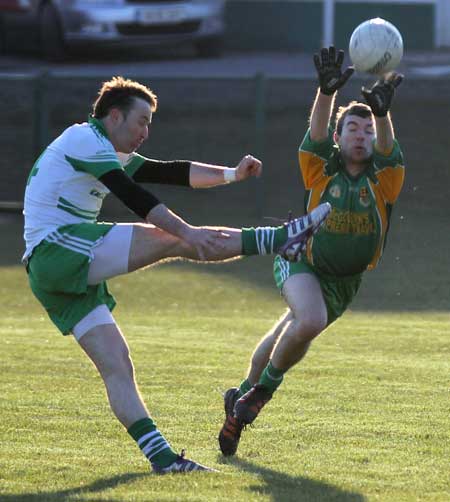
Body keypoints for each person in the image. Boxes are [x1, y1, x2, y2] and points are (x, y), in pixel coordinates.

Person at [23, 76, 331, 474]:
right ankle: (280, 239)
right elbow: (133, 196)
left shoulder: (101, 145)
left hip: (51, 271)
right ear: (114, 116)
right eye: (141, 121)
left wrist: (232, 175)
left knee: (118, 363)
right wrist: (186, 233)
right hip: (59, 250)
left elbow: (168, 173)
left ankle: (163, 460)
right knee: (173, 239)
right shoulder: (87, 140)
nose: (145, 132)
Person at [218, 47, 405, 456]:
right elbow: (317, 134)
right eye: (353, 129)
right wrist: (325, 93)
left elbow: (391, 150)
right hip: (300, 260)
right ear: (339, 139)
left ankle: (242, 397)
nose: (362, 135)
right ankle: (262, 393)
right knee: (310, 320)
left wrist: (384, 114)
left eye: (368, 130)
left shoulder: (384, 180)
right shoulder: (322, 170)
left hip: (345, 282)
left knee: (295, 324)